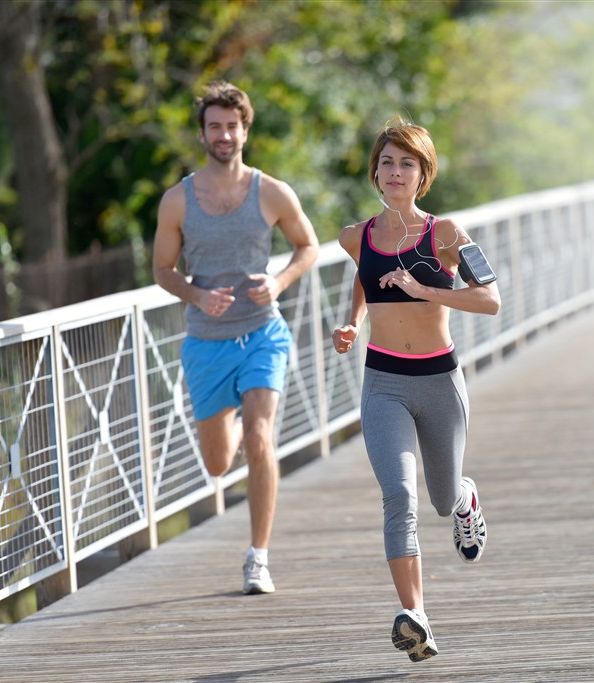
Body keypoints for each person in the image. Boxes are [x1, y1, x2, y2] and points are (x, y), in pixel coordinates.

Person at [331, 118, 500, 661]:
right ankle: (416, 617)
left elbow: (490, 300)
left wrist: (424, 289)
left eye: (407, 163)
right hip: (383, 383)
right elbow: (365, 273)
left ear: (422, 175)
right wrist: (354, 321)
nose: (395, 171)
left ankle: (464, 500)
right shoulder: (354, 236)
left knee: (440, 497)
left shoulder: (446, 234)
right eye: (387, 162)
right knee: (398, 496)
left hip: (439, 381)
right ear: (375, 173)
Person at [153, 80, 319, 595]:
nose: (224, 135)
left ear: (245, 130)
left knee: (261, 436)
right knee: (219, 462)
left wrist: (279, 282)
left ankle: (258, 558)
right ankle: (237, 432)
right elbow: (161, 269)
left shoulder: (271, 192)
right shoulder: (177, 200)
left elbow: (308, 246)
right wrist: (196, 296)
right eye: (214, 127)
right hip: (205, 342)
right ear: (203, 134)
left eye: (232, 126)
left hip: (262, 334)